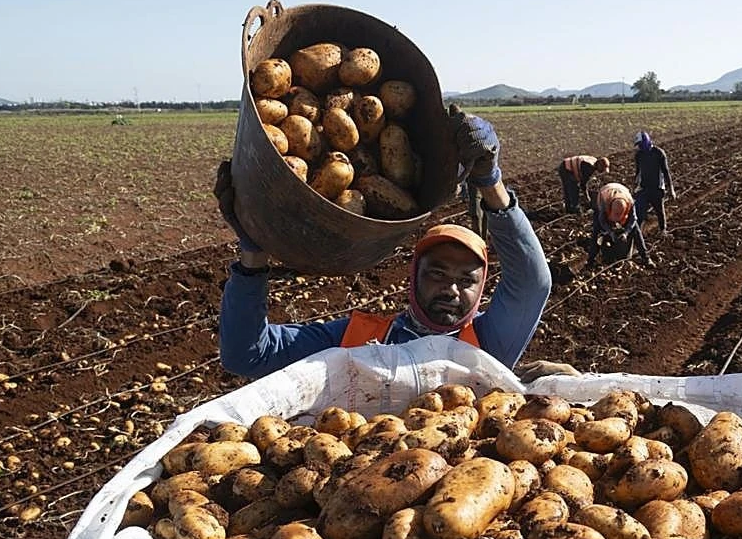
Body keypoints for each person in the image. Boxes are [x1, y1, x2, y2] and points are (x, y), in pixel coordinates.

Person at [215, 107, 553, 380]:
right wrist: (253, 255)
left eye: (466, 280)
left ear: (481, 289)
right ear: (413, 276)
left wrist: (491, 184)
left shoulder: (489, 342)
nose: (451, 289)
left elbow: (532, 284)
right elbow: (248, 356)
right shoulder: (357, 338)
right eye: (437, 273)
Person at [586, 182, 651, 268]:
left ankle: (646, 258)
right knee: (596, 232)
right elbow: (602, 221)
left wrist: (626, 233)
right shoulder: (604, 203)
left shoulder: (630, 203)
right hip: (605, 195)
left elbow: (633, 219)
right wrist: (610, 232)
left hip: (622, 193)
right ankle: (590, 260)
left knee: (636, 230)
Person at [632, 131, 675, 233]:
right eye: (638, 145)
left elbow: (665, 171)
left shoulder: (659, 153)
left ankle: (663, 230)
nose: (640, 147)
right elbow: (638, 171)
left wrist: (671, 189)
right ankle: (637, 235)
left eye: (641, 144)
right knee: (639, 213)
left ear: (646, 141)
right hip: (644, 188)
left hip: (657, 188)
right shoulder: (639, 155)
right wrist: (634, 186)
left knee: (659, 210)